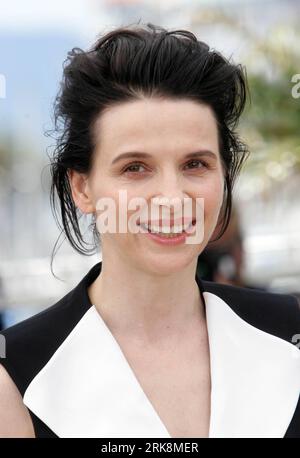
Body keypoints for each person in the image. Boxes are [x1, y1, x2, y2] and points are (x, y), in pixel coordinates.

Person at [0, 22, 299, 438]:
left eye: (195, 164)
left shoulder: (289, 334)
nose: (171, 198)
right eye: (135, 168)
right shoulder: (15, 376)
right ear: (83, 187)